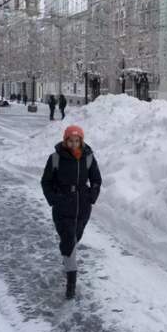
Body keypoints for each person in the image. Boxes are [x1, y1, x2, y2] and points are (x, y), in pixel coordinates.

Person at [41, 125, 102, 299]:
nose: (74, 144)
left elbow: (96, 179)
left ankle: (67, 257)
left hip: (82, 207)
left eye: (77, 140)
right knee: (69, 241)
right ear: (65, 140)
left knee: (74, 239)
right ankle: (71, 284)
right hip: (62, 207)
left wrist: (91, 196)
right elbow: (46, 182)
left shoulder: (88, 157)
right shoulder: (55, 158)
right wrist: (54, 199)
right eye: (70, 140)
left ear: (81, 141)